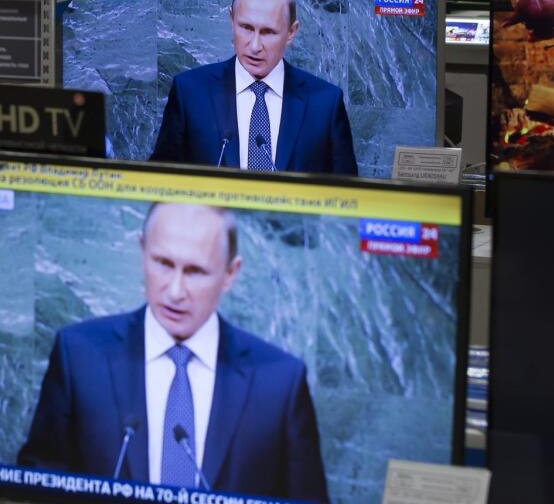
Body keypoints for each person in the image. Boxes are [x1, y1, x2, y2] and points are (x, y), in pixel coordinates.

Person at [17, 203, 328, 502]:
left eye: (194, 271)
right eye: (163, 264)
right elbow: (37, 484)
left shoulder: (279, 382)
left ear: (231, 273)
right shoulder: (81, 357)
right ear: (142, 252)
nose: (175, 291)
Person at [149, 0, 357, 174]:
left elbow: (348, 196)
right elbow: (160, 180)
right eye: (246, 28)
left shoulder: (325, 103)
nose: (255, 46)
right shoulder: (191, 92)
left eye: (268, 32)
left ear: (291, 32)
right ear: (232, 20)